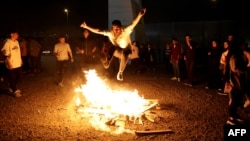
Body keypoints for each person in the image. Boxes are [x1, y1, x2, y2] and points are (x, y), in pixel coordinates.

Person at [80, 8, 146, 81]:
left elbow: (133, 24)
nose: (116, 31)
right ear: (112, 28)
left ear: (121, 28)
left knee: (125, 53)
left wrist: (139, 15)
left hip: (126, 50)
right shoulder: (110, 32)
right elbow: (98, 30)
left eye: (118, 29)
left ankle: (120, 72)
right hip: (117, 50)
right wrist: (86, 27)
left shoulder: (126, 30)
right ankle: (107, 62)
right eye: (114, 29)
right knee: (112, 47)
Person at [224, 38, 250, 125]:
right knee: (234, 99)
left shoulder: (239, 55)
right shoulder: (234, 56)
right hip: (236, 81)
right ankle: (231, 118)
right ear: (238, 46)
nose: (244, 45)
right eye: (243, 44)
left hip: (240, 80)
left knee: (238, 99)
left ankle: (235, 115)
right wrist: (246, 70)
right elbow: (235, 68)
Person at [1, 30, 22, 97]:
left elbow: (18, 52)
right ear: (12, 34)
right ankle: (15, 90)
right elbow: (5, 53)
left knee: (19, 76)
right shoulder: (7, 42)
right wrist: (9, 62)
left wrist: (20, 59)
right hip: (11, 63)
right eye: (16, 34)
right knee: (12, 77)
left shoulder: (16, 42)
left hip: (17, 62)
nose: (17, 35)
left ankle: (12, 87)